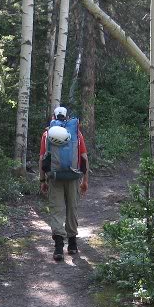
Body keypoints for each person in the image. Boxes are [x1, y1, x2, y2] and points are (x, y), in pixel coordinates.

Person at [39, 106, 89, 260]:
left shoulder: (47, 134)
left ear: (54, 116)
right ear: (67, 117)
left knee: (57, 210)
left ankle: (59, 248)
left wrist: (42, 180)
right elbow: (84, 157)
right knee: (72, 209)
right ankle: (72, 244)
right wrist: (85, 180)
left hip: (54, 178)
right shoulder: (76, 133)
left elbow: (42, 159)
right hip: (73, 177)